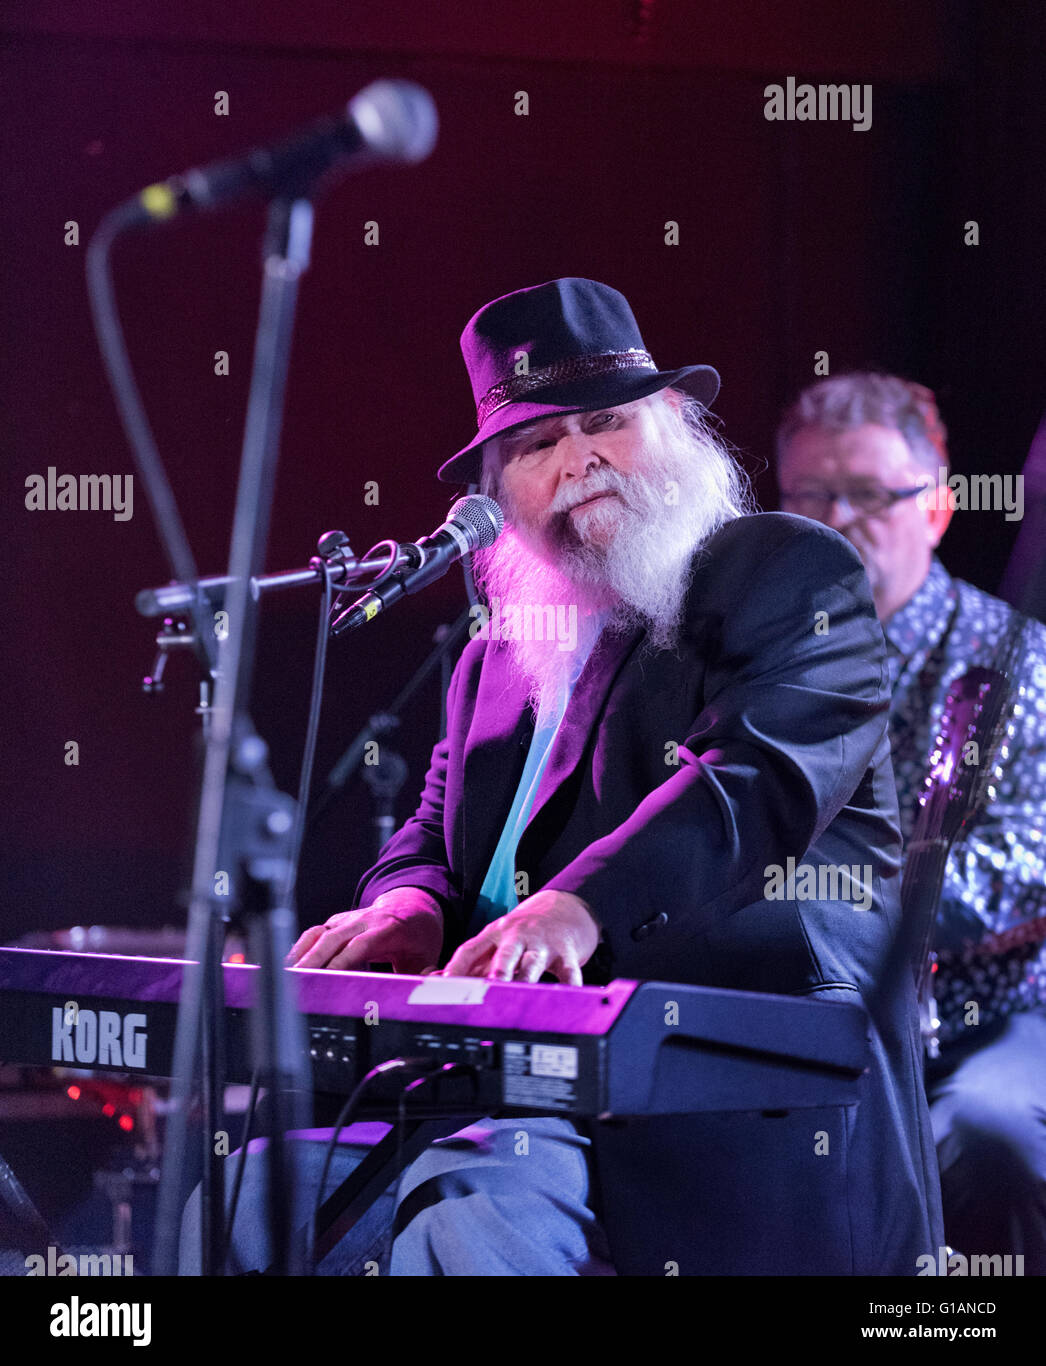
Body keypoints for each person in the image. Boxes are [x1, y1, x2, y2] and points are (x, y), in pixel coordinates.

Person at [183, 279, 943, 1276]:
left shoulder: (784, 572)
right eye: (534, 445)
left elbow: (751, 785)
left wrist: (571, 908)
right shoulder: (496, 654)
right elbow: (431, 822)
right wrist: (408, 898)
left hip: (715, 1103)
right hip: (496, 1099)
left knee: (473, 1210)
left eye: (604, 423)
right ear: (496, 494)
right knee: (239, 1199)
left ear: (671, 425)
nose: (576, 458)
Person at [776, 371, 1046, 1272]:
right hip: (808, 1006)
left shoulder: (1012, 657)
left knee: (991, 1132)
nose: (836, 520)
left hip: (982, 1013)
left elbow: (1029, 860)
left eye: (865, 495)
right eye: (810, 495)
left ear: (935, 506)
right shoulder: (768, 663)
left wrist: (856, 902)